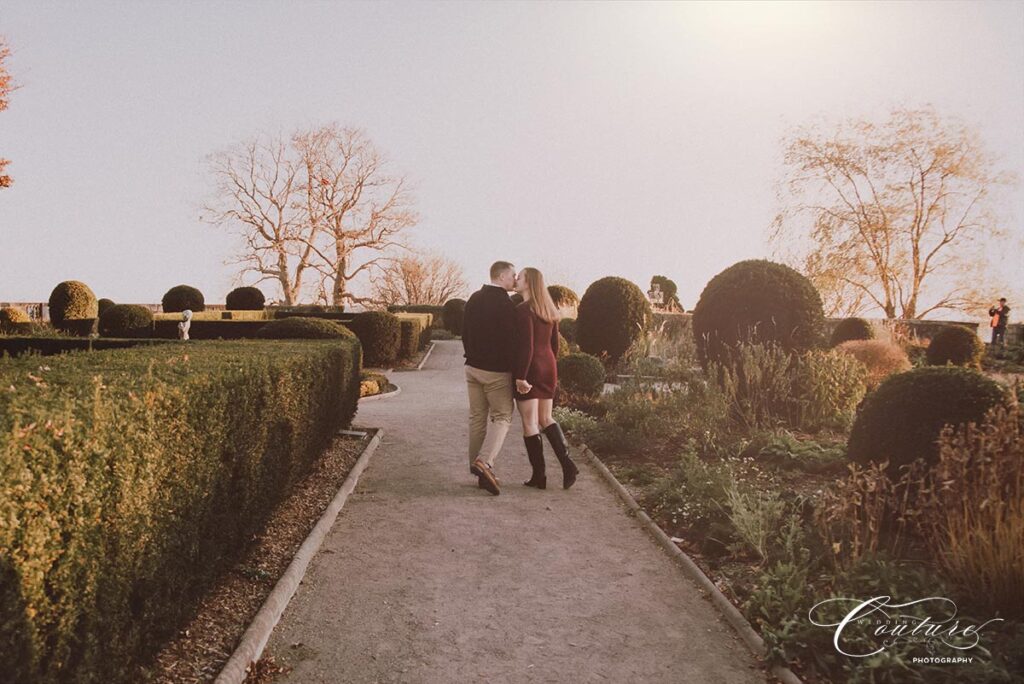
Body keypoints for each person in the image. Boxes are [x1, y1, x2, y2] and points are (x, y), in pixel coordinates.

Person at [512, 267, 578, 490]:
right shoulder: (549, 310)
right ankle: (568, 465)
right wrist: (550, 368)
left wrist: (520, 376)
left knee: (530, 422)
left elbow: (526, 346)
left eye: (519, 277)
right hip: (548, 366)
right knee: (546, 418)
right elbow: (555, 346)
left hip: (530, 368)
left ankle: (539, 476)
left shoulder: (523, 310)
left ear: (528, 282)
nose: (516, 280)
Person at [462, 261, 518, 495]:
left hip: (472, 367)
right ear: (503, 276)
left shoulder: (474, 298)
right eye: (513, 275)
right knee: (503, 417)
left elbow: (464, 332)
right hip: (496, 371)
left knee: (477, 418)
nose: (515, 279)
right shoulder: (506, 305)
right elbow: (512, 343)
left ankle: (478, 469)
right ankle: (484, 463)